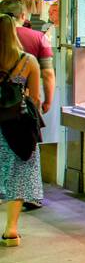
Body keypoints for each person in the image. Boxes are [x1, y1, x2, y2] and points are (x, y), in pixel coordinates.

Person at [0, 15, 43, 245]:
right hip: (15, 126)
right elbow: (35, 98)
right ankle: (11, 231)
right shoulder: (28, 62)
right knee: (16, 175)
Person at [0, 0, 53, 115]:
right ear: (23, 16)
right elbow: (48, 73)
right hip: (22, 106)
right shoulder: (41, 37)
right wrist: (48, 101)